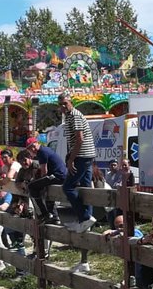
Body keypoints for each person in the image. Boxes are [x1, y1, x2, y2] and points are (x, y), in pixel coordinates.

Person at [58, 93, 97, 232]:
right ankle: (86, 221)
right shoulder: (69, 117)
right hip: (86, 155)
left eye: (65, 103)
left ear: (71, 102)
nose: (63, 107)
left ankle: (84, 216)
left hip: (82, 155)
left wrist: (71, 159)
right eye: (61, 104)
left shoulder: (74, 115)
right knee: (86, 187)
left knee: (68, 187)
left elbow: (79, 139)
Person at [19, 140, 69, 227]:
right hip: (59, 175)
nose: (33, 149)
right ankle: (54, 217)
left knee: (31, 186)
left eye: (33, 146)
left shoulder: (42, 152)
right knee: (43, 190)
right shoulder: (44, 150)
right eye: (30, 148)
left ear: (38, 143)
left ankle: (44, 214)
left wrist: (40, 183)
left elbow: (44, 172)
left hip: (58, 176)